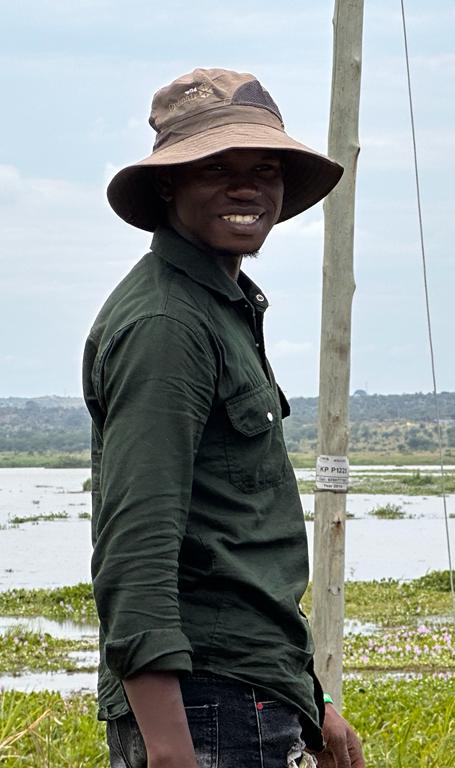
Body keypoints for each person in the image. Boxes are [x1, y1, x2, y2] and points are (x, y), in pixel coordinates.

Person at [83, 68, 365, 768]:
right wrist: (172, 751)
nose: (246, 187)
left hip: (249, 693)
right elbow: (136, 552)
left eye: (263, 168)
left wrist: (316, 703)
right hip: (205, 706)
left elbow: (235, 542)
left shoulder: (221, 308)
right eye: (216, 168)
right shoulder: (166, 324)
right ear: (169, 186)